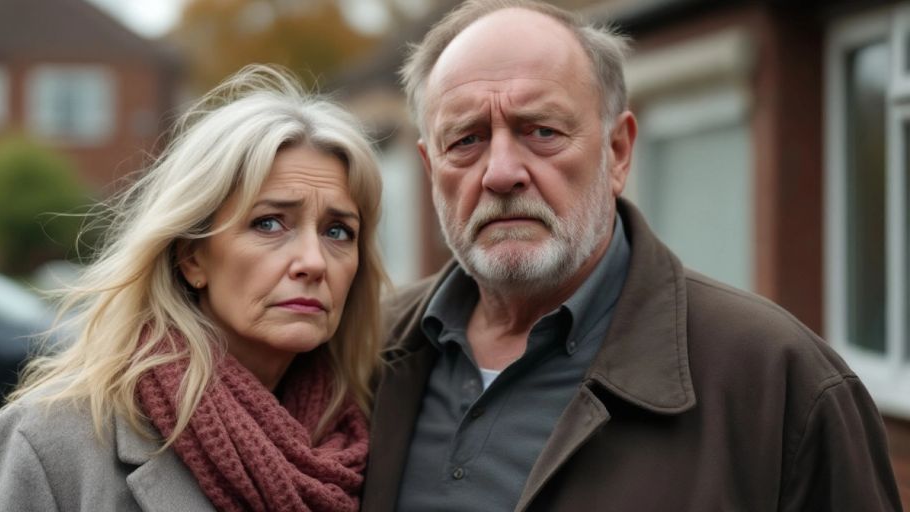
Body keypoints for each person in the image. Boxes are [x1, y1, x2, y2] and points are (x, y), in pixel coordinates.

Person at [361, 1, 903, 511]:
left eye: (542, 132)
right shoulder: (359, 355)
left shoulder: (780, 383)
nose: (502, 172)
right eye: (466, 140)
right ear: (431, 172)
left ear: (618, 152)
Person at [0, 65, 387, 512]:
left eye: (338, 231)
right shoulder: (52, 443)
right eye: (269, 223)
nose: (313, 261)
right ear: (192, 258)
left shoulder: (372, 434)